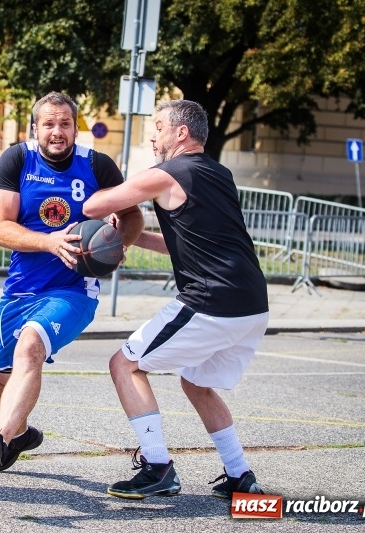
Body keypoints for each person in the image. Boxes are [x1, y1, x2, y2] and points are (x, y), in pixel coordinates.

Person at [82, 99, 269, 500]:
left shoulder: (169, 172)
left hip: (211, 300)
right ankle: (240, 476)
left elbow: (92, 205)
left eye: (159, 126)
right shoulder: (219, 174)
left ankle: (157, 467)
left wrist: (119, 208)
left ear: (181, 133)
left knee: (124, 364)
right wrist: (132, 236)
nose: (152, 134)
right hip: (253, 305)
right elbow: (180, 243)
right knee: (197, 382)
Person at [0, 91, 144, 484]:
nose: (57, 131)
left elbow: (132, 214)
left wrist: (122, 244)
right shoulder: (17, 159)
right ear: (36, 127)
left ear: (75, 126)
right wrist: (49, 241)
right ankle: (21, 434)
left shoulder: (97, 165)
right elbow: (0, 228)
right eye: (49, 123)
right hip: (21, 288)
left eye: (65, 123)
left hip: (74, 289)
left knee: (30, 346)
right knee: (2, 374)